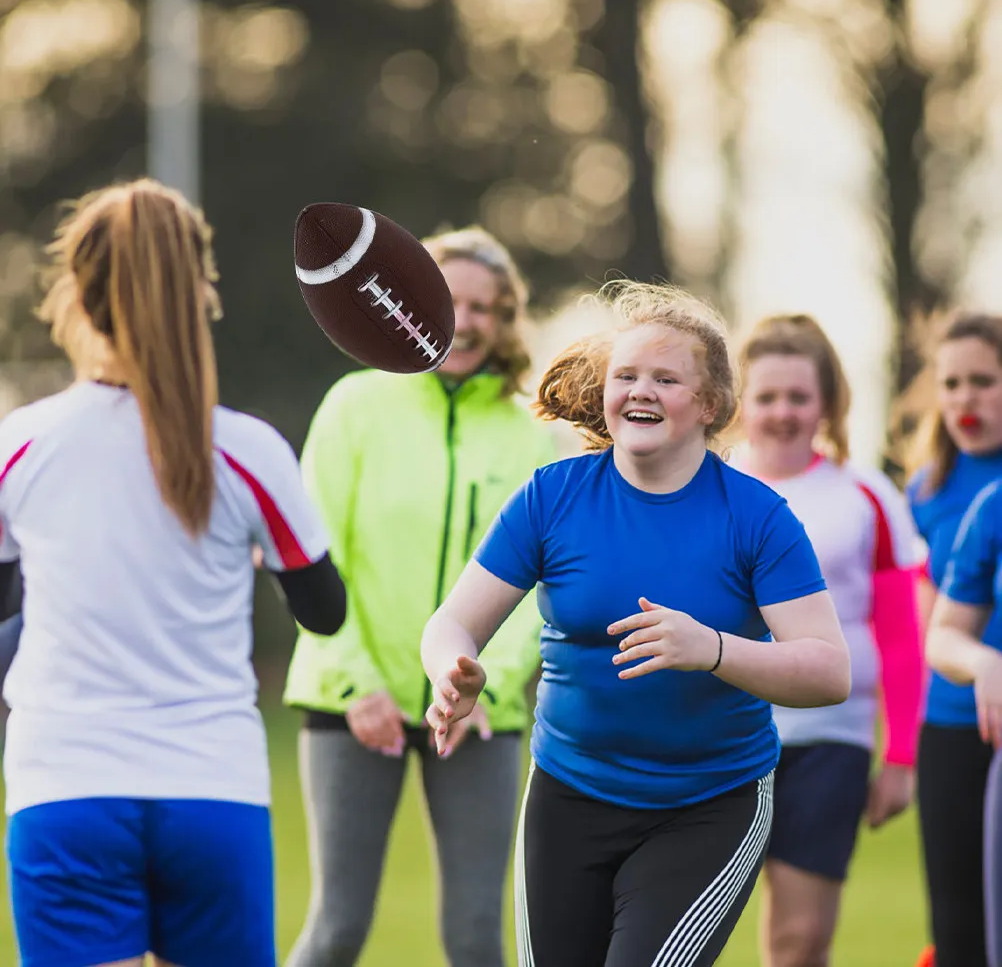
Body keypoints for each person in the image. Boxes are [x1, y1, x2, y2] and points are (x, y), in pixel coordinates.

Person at [422, 281, 851, 967]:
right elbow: (451, 624)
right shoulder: (553, 497)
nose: (640, 390)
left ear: (709, 404)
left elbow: (829, 670)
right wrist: (451, 672)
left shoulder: (756, 517)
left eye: (665, 378)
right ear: (604, 393)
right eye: (626, 375)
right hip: (569, 793)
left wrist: (710, 648)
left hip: (711, 804)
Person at [0, 178, 347, 967]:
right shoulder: (251, 451)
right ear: (200, 294)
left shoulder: (20, 442)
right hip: (211, 792)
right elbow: (324, 613)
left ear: (78, 300)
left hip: (66, 787)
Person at [283, 225, 553, 967]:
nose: (464, 321)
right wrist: (355, 682)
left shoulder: (535, 437)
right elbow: (307, 558)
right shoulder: (353, 407)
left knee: (474, 937)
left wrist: (481, 682)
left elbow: (540, 587)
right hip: (350, 702)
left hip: (478, 711)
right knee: (336, 929)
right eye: (448, 301)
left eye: (484, 307)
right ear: (409, 303)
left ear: (505, 321)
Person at [731, 314, 923, 967]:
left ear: (828, 403)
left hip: (829, 742)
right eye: (766, 396)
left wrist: (899, 755)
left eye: (799, 397)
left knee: (801, 941)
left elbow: (900, 634)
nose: (782, 413)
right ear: (738, 401)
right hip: (718, 740)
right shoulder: (703, 485)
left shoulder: (865, 493)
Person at [903, 312, 1002, 967]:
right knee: (960, 921)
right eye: (953, 383)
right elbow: (933, 625)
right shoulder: (926, 490)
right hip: (953, 721)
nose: (965, 398)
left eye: (984, 382)